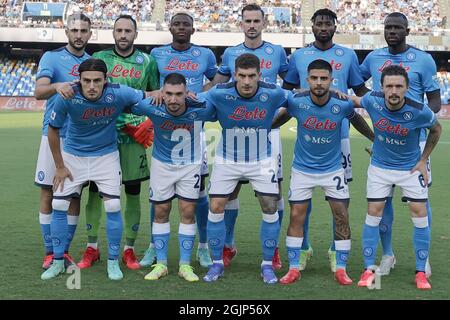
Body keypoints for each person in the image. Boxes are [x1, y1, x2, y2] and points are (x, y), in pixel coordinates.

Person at [40, 58, 148, 280]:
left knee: (113, 205)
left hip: (106, 157)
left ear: (106, 80)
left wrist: (167, 93)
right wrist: (59, 166)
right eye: (86, 81)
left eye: (97, 81)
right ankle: (58, 261)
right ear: (78, 80)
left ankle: (112, 263)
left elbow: (150, 96)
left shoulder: (119, 93)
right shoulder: (67, 96)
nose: (91, 86)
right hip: (73, 155)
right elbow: (52, 130)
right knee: (59, 203)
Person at [272, 59, 374, 285]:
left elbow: (357, 121)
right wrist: (264, 127)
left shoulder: (343, 103)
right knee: (296, 216)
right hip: (302, 169)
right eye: (314, 78)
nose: (319, 83)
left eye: (323, 78)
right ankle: (294, 268)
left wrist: (375, 139)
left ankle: (341, 268)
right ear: (307, 80)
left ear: (331, 80)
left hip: (333, 169)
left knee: (341, 215)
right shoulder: (296, 101)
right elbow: (279, 119)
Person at [282, 8, 369, 273]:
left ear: (334, 27)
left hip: (340, 135)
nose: (323, 27)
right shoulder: (299, 55)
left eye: (328, 23)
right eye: (319, 23)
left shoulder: (348, 55)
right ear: (312, 26)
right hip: (310, 132)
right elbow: (287, 91)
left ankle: (335, 250)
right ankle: (304, 246)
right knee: (301, 200)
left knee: (340, 201)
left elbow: (360, 90)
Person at [204, 3, 289, 270]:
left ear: (264, 23)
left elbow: (290, 88)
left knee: (274, 195)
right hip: (235, 134)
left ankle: (272, 250)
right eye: (247, 21)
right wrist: (186, 94)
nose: (251, 25)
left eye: (256, 20)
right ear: (241, 24)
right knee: (229, 194)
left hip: (267, 132)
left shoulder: (277, 52)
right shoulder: (230, 53)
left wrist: (272, 122)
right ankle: (227, 245)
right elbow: (217, 84)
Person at [359, 12, 441, 277]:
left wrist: (414, 122)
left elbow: (435, 101)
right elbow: (360, 90)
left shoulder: (424, 59)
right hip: (384, 144)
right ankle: (388, 255)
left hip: (414, 145)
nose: (392, 31)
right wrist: (381, 128)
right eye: (388, 27)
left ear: (407, 30)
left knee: (420, 203)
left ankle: (422, 259)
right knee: (382, 204)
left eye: (397, 27)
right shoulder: (373, 57)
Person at [78, 14, 159, 271]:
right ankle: (93, 247)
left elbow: (154, 96)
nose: (123, 35)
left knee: (132, 193)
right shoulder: (100, 59)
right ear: (113, 33)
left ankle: (129, 250)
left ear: (136, 34)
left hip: (134, 137)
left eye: (128, 31)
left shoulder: (147, 61)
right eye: (119, 30)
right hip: (102, 137)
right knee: (95, 193)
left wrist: (149, 122)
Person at [351, 65, 442, 290]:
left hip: (410, 169)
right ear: (381, 88)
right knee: (373, 214)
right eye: (389, 86)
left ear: (407, 88)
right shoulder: (372, 100)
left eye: (398, 86)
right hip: (380, 168)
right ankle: (368, 270)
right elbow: (352, 101)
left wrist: (423, 159)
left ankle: (421, 271)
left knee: (419, 214)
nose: (393, 91)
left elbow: (437, 129)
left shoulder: (419, 110)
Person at [142, 12, 218, 268]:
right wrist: (155, 93)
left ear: (193, 29)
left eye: (186, 24)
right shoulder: (156, 53)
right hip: (166, 125)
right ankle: (154, 245)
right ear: (170, 27)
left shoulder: (205, 54)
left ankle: (204, 247)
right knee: (159, 196)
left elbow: (218, 80)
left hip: (195, 129)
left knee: (200, 193)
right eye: (177, 24)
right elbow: (150, 86)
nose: (181, 28)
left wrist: (202, 95)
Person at [130, 73, 216, 281]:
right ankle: (161, 264)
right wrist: (150, 95)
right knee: (161, 211)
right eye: (168, 94)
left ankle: (184, 265)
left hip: (190, 166)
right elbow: (127, 102)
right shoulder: (151, 105)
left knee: (188, 212)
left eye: (179, 94)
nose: (173, 100)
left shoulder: (201, 107)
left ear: (187, 93)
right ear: (162, 92)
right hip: (162, 166)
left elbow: (219, 109)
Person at [34, 13, 92, 270]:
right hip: (53, 134)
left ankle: (64, 250)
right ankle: (50, 251)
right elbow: (38, 92)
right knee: (48, 190)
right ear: (66, 32)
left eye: (84, 31)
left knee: (73, 195)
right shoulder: (51, 57)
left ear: (90, 34)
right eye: (74, 30)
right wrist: (59, 85)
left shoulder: (93, 62)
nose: (79, 35)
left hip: (79, 138)